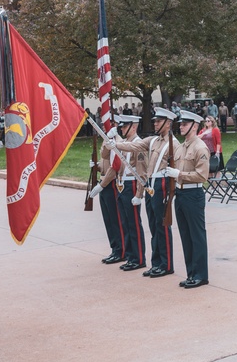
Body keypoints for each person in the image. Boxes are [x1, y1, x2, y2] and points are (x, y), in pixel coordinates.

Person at [109, 108, 178, 278]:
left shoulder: (173, 144)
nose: (154, 123)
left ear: (168, 123)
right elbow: (134, 145)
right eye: (154, 121)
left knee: (162, 227)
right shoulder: (153, 140)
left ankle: (166, 264)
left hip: (162, 185)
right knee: (154, 227)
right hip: (152, 185)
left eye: (158, 121)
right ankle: (157, 263)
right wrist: (115, 144)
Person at [89, 115, 146, 269]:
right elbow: (105, 156)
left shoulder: (138, 144)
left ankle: (139, 258)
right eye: (120, 126)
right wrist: (108, 140)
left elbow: (141, 171)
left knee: (133, 224)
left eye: (124, 126)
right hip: (122, 184)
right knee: (125, 223)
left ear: (133, 127)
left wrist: (139, 194)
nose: (121, 128)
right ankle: (130, 256)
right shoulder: (123, 142)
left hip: (132, 184)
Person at [164, 111, 210, 288]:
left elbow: (202, 175)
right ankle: (191, 273)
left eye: (185, 124)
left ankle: (201, 275)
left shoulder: (200, 147)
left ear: (195, 126)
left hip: (193, 194)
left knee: (196, 236)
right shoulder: (181, 147)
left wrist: (179, 174)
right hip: (181, 194)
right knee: (185, 235)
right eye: (181, 124)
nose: (181, 126)